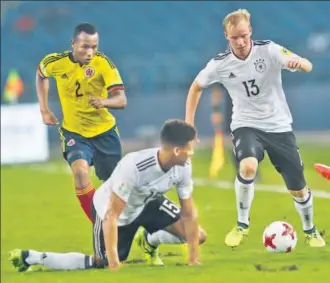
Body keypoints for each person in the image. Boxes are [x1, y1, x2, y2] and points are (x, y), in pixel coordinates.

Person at [185, 9, 325, 248]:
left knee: (298, 188)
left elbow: (308, 65)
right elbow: (195, 87)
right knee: (248, 166)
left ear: (250, 32)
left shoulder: (268, 50)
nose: (239, 42)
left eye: (243, 36)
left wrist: (299, 63)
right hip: (246, 124)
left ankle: (311, 231)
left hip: (279, 126)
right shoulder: (220, 64)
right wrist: (189, 124)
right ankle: (241, 224)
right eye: (234, 38)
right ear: (226, 36)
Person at [9, 120, 206, 271]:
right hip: (111, 212)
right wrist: (114, 264)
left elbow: (189, 213)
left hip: (147, 202)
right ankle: (33, 257)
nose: (191, 153)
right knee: (101, 261)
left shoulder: (183, 167)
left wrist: (193, 259)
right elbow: (111, 215)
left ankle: (149, 240)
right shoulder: (134, 166)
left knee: (197, 236)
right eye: (189, 149)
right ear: (177, 150)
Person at [36, 23, 127, 223]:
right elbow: (41, 75)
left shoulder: (104, 64)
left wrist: (104, 101)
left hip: (105, 133)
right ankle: (99, 226)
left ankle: (127, 226)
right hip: (74, 133)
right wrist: (44, 109)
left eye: (94, 47)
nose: (90, 52)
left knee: (115, 187)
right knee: (80, 172)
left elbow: (121, 100)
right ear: (73, 43)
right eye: (85, 46)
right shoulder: (56, 62)